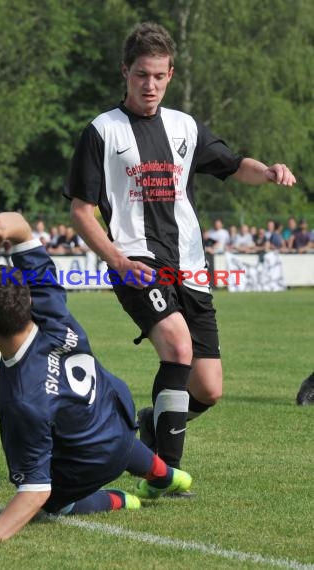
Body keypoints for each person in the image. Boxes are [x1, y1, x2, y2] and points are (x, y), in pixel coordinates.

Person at [66, 22, 297, 480]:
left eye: (157, 76)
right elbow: (80, 210)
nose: (149, 85)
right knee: (177, 344)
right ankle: (164, 473)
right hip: (137, 261)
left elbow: (233, 166)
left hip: (191, 266)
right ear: (125, 72)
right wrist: (116, 260)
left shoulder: (184, 127)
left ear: (170, 74)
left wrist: (268, 172)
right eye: (140, 75)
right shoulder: (102, 131)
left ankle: (154, 423)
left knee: (209, 389)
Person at [0, 211, 192, 550]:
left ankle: (120, 500)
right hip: (118, 414)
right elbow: (24, 230)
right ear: (27, 298)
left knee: (53, 503)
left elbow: (35, 491)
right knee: (97, 429)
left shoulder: (19, 399)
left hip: (93, 461)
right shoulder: (50, 307)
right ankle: (168, 476)